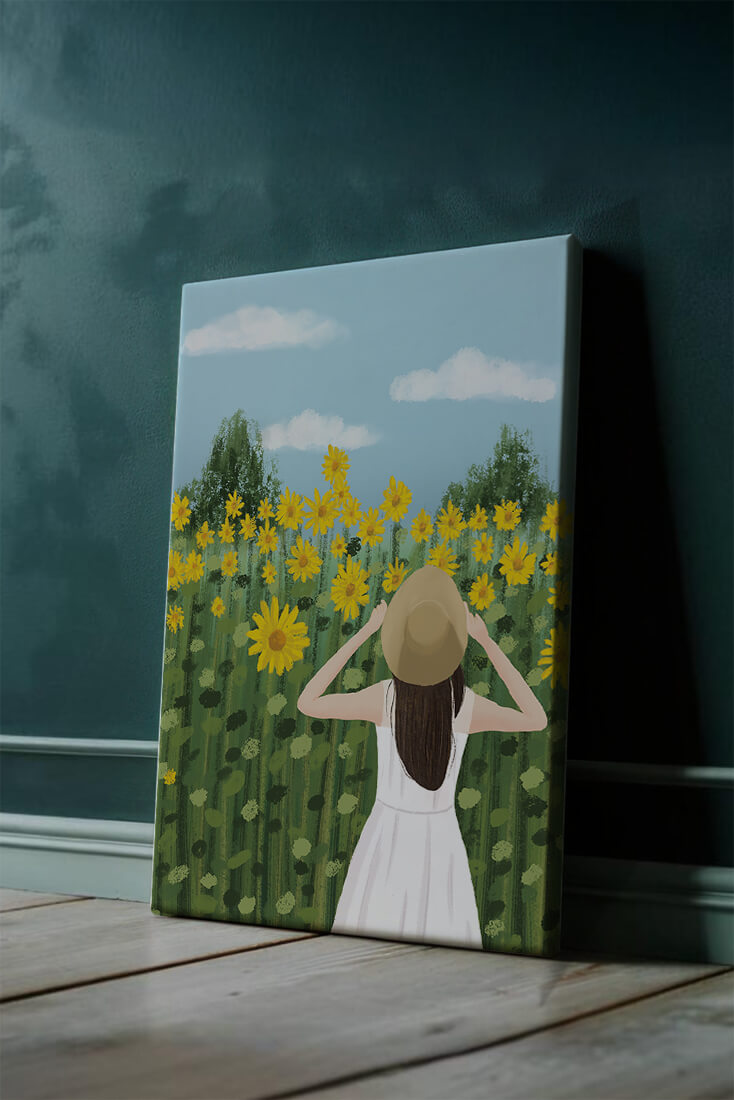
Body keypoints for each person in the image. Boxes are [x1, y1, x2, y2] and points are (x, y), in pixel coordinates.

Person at [297, 564, 547, 950]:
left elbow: (307, 701)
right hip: (440, 838)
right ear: (453, 648)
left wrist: (364, 632)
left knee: (365, 940)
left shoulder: (383, 698)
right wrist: (488, 642)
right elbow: (535, 718)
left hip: (386, 833)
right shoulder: (463, 706)